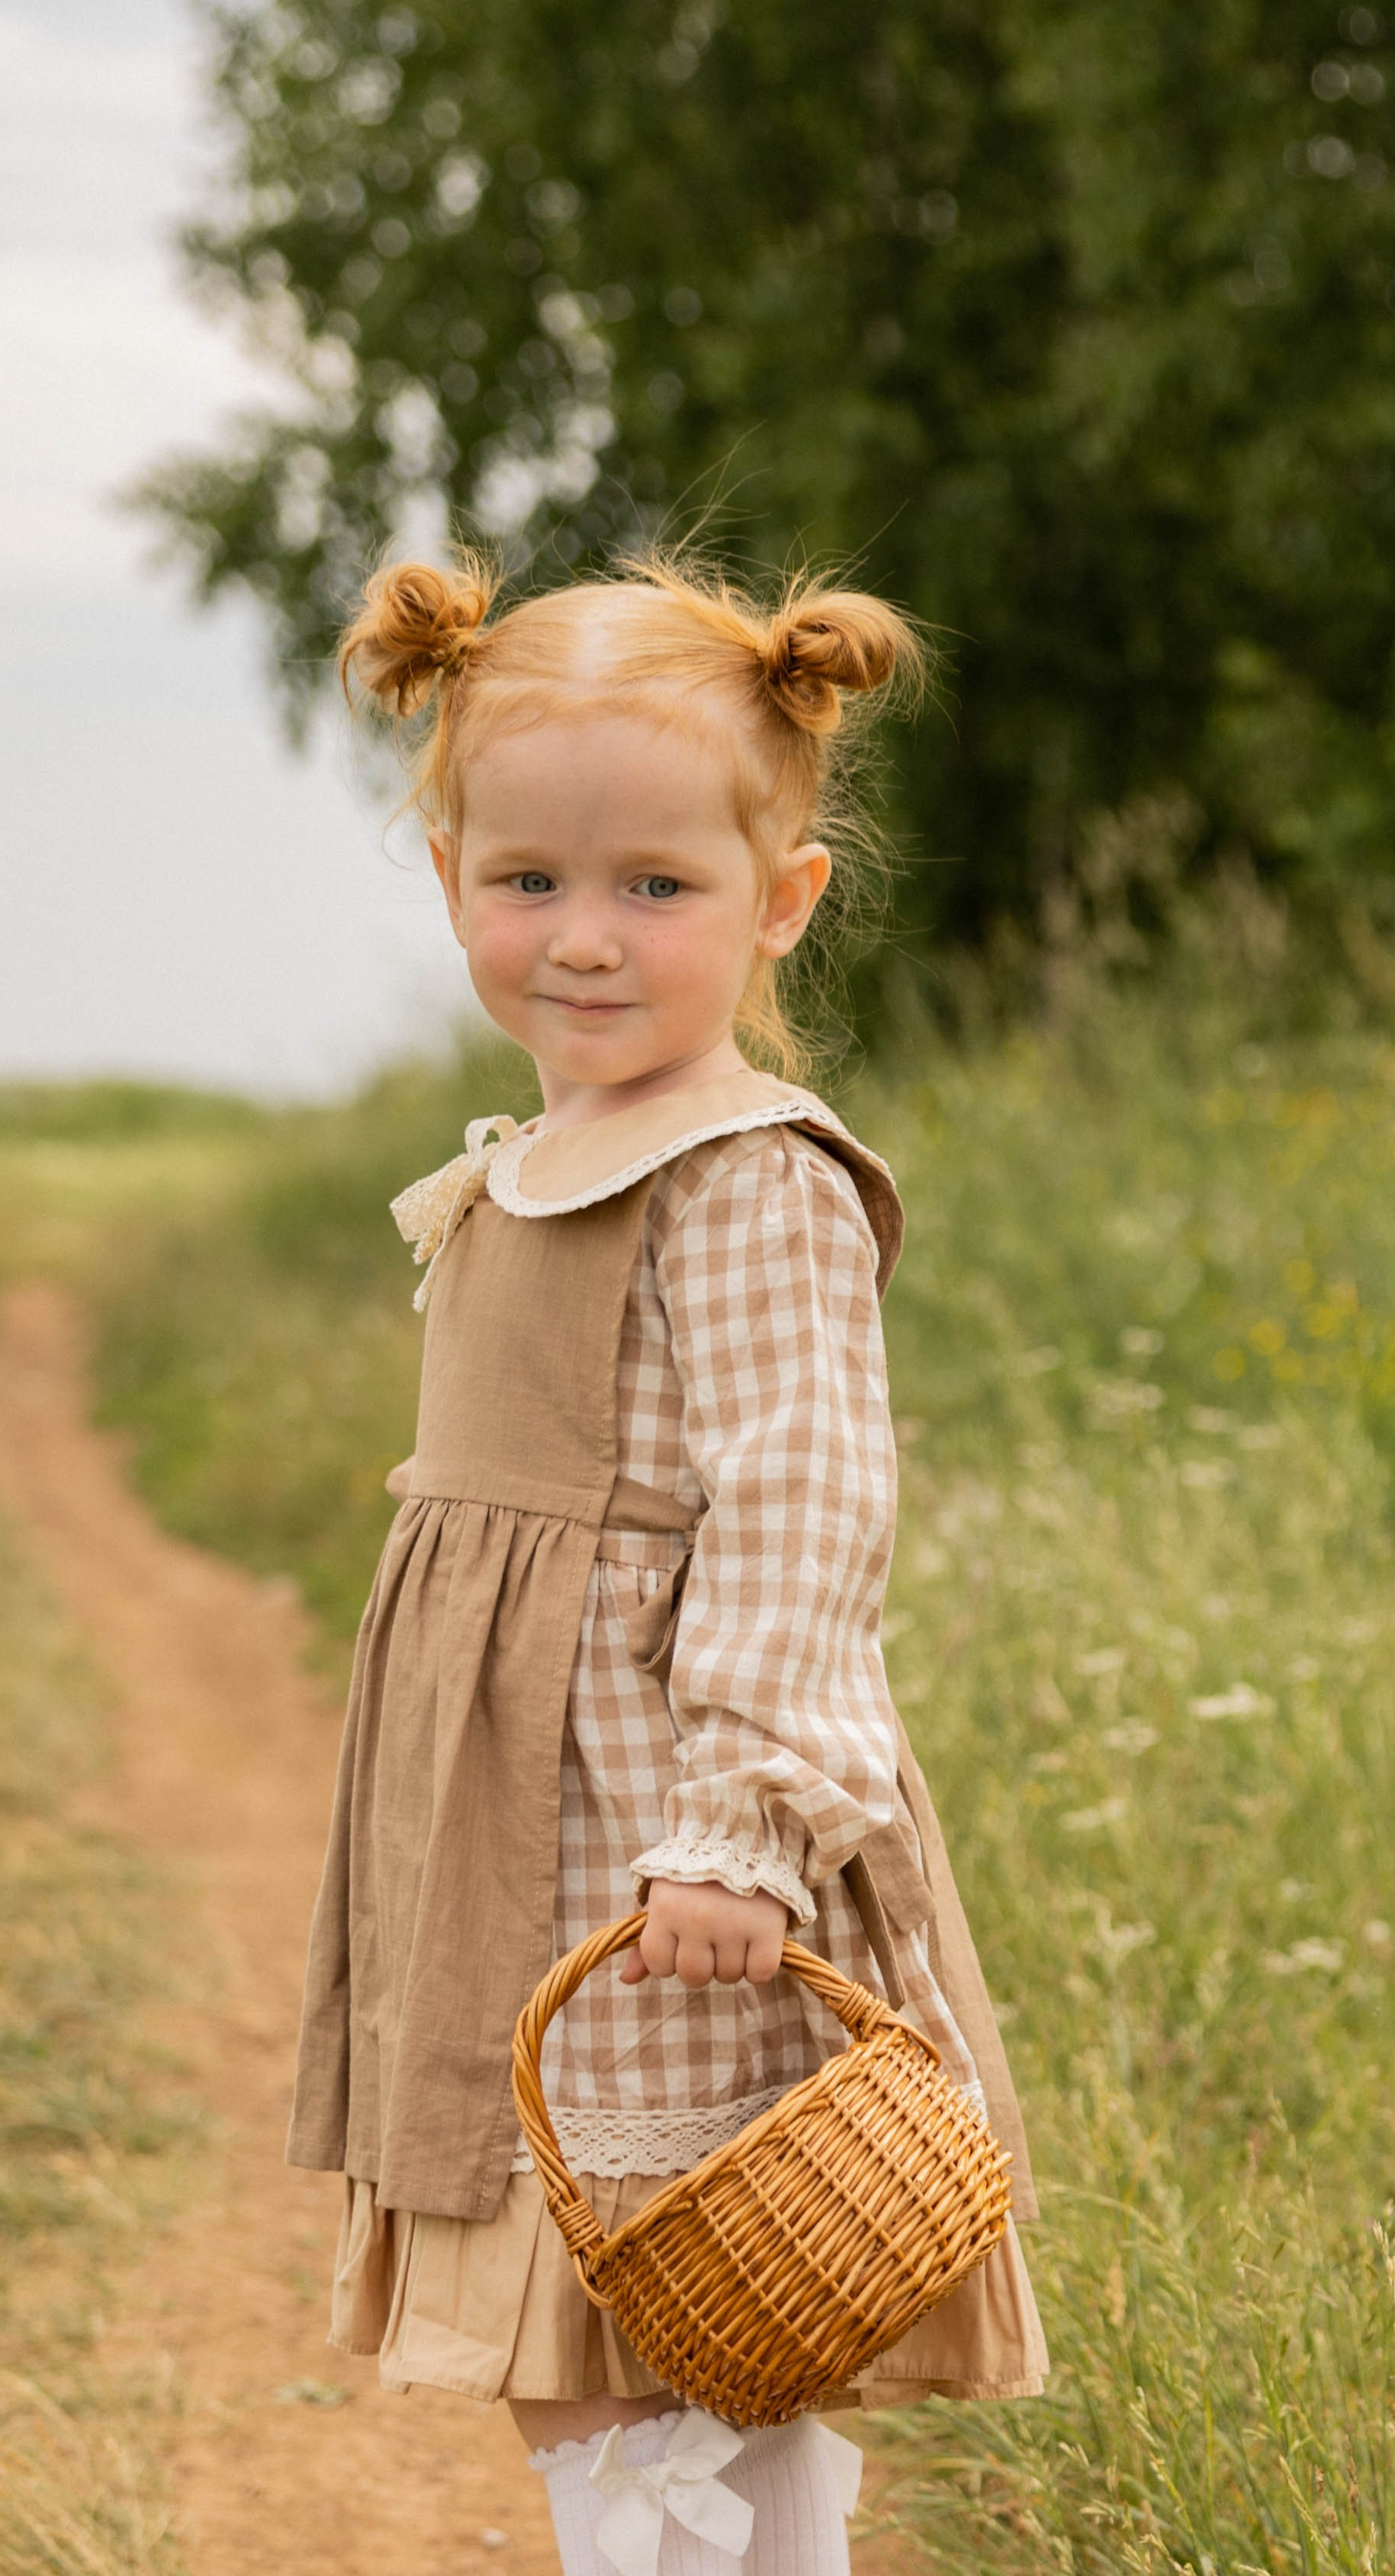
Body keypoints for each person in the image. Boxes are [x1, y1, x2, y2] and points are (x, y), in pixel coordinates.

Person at [288, 553, 1047, 2574]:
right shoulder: (520, 1165)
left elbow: (805, 1503)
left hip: (653, 1842)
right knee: (597, 2313)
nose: (585, 941)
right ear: (447, 873)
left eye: (656, 887)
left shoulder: (744, 1180)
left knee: (683, 2294)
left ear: (774, 897)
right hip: (500, 1838)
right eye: (528, 880)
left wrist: (741, 1827)